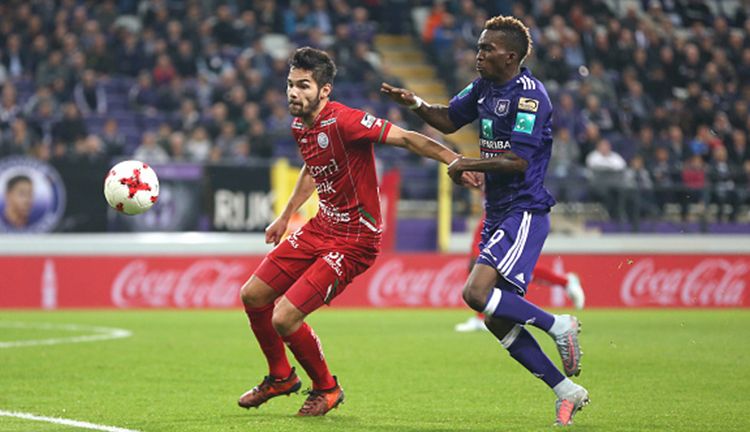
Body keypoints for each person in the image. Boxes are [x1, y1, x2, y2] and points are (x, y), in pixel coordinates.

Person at [237, 47, 478, 417]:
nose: (293, 93)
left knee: (285, 317)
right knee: (253, 295)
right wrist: (285, 215)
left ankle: (327, 388)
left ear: (325, 90)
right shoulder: (301, 124)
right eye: (289, 85)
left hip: (355, 240)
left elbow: (408, 138)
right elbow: (312, 167)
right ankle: (281, 376)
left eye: (303, 86)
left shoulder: (346, 121)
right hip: (322, 226)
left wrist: (454, 159)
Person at [382, 15, 589, 426]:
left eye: (486, 49)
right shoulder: (483, 87)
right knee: (497, 319)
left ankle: (558, 323)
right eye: (478, 47)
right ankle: (567, 391)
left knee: (475, 294)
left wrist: (463, 163)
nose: (477, 54)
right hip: (498, 212)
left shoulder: (531, 97)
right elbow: (448, 118)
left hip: (524, 209)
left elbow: (517, 162)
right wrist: (417, 105)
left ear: (510, 56)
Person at [455, 216, 586, 333]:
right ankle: (565, 283)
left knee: (508, 268)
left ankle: (560, 299)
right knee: (491, 265)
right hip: (495, 209)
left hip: (512, 209)